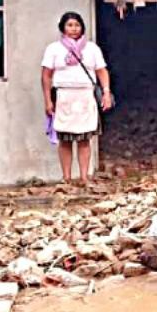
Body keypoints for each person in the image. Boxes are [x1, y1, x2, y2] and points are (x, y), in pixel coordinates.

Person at [41, 12, 113, 185]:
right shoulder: (54, 49)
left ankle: (84, 177)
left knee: (84, 139)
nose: (74, 29)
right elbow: (46, 75)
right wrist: (48, 100)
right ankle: (66, 177)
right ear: (63, 28)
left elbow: (101, 71)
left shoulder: (92, 48)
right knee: (65, 140)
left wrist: (106, 92)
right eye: (70, 25)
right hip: (64, 96)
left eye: (77, 25)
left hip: (85, 96)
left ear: (82, 27)